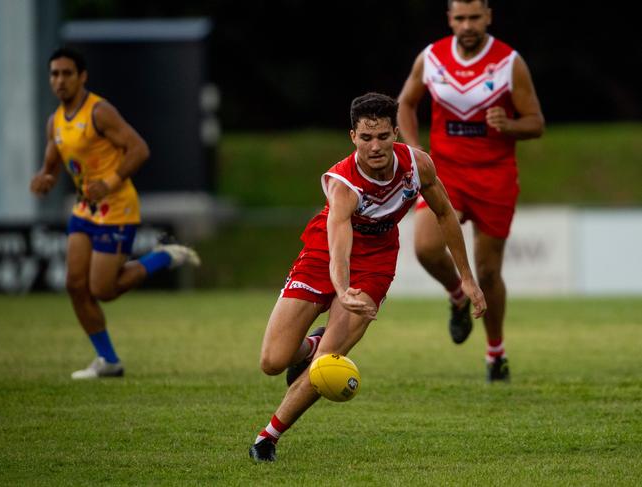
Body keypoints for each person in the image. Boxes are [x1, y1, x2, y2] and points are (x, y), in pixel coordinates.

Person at [248, 92, 487, 462]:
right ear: (352, 137)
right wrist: (342, 289)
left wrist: (467, 279)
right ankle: (311, 344)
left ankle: (267, 438)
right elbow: (339, 243)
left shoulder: (417, 165)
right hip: (322, 255)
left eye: (382, 137)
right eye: (365, 138)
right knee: (272, 362)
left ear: (395, 132)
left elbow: (444, 215)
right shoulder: (344, 184)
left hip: (375, 263)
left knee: (326, 363)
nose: (375, 146)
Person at [30, 47, 200, 379]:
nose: (60, 80)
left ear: (82, 77)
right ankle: (108, 360)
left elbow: (139, 149)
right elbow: (54, 157)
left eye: (67, 73)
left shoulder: (99, 112)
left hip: (117, 209)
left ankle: (163, 256)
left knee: (103, 290)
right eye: (54, 74)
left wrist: (108, 183)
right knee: (75, 285)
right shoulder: (55, 122)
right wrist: (46, 176)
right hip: (84, 210)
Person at [397, 0, 544, 382]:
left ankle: (496, 353)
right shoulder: (431, 58)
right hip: (445, 172)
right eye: (459, 18)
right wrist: (415, 150)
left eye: (474, 17)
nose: (467, 25)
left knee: (489, 272)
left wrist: (509, 125)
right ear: (449, 19)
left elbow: (536, 123)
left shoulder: (509, 62)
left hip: (494, 176)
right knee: (425, 248)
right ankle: (458, 294)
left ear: (489, 16)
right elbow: (405, 104)